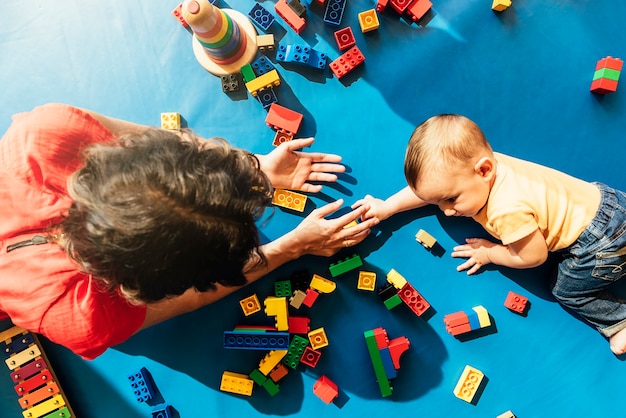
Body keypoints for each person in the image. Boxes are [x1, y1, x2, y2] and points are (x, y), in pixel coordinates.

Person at [0, 103, 378, 360]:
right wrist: (291, 247)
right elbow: (192, 297)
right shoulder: (82, 318)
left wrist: (255, 167)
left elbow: (162, 146)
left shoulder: (44, 134)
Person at [353, 113, 626, 356]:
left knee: (565, 290)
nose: (446, 211)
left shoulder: (504, 209)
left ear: (484, 170)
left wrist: (489, 253)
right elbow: (429, 189)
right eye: (439, 202)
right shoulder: (480, 166)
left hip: (599, 245)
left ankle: (618, 322)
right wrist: (388, 206)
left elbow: (533, 256)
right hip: (610, 202)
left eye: (450, 200)